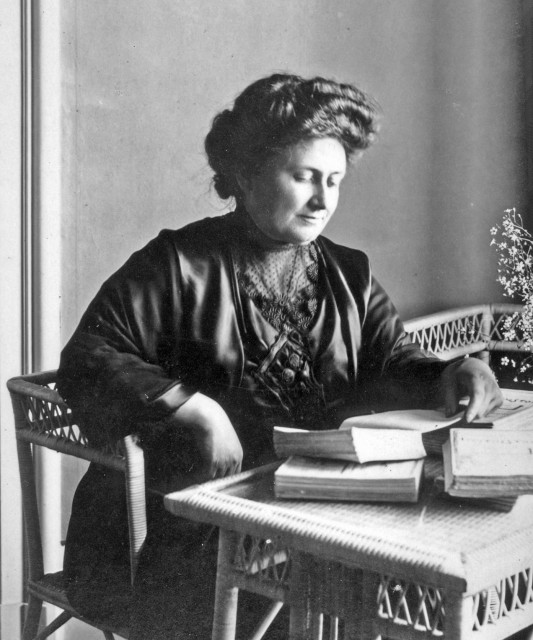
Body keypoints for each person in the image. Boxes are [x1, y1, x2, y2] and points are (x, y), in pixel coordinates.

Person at [57, 73, 503, 639]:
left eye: (334, 182)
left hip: (317, 513)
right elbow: (89, 355)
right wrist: (194, 409)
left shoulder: (350, 272)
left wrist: (452, 371)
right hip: (190, 527)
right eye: (304, 178)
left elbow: (392, 362)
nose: (322, 201)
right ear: (245, 173)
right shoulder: (179, 261)